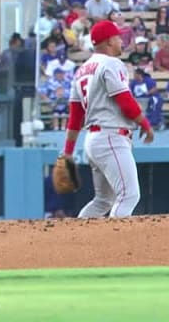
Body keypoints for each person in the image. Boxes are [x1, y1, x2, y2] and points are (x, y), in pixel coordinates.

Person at [62, 21, 153, 218]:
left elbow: (76, 116)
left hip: (93, 140)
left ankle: (76, 240)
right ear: (109, 40)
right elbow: (124, 100)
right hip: (111, 136)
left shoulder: (81, 70)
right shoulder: (111, 63)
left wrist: (68, 151)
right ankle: (116, 245)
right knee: (129, 195)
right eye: (118, 37)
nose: (121, 40)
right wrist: (144, 123)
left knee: (103, 201)